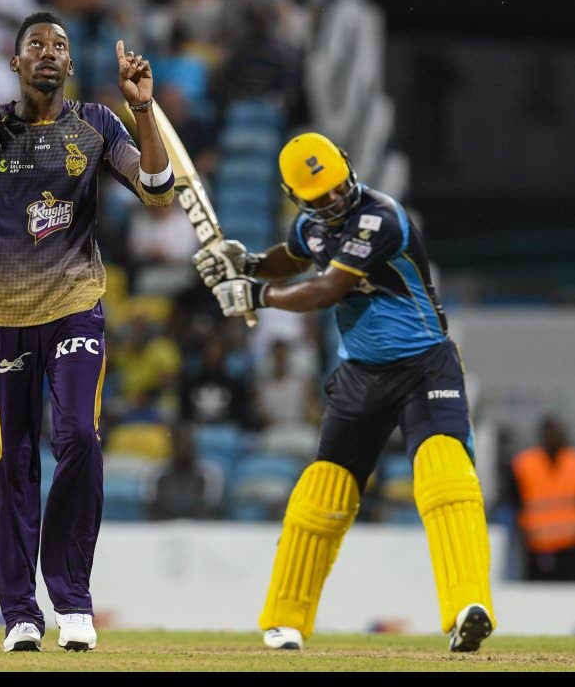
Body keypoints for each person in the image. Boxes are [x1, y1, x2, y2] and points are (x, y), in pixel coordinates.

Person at [0, 11, 173, 653]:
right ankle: (21, 614)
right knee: (15, 462)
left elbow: (159, 193)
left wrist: (144, 111)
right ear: (16, 62)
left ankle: (74, 601)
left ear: (70, 64)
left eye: (59, 44)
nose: (48, 52)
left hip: (75, 307)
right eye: (36, 45)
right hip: (4, 320)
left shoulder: (98, 122)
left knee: (79, 435)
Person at [193, 132, 496, 652]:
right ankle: (284, 619)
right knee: (322, 497)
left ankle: (468, 606)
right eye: (318, 197)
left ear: (350, 170)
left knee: (445, 475)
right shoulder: (312, 225)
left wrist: (257, 294)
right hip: (361, 375)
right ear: (296, 197)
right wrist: (247, 261)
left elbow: (326, 289)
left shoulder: (379, 217)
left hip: (424, 365)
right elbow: (295, 254)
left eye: (338, 189)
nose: (333, 201)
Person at [509, 415, 575, 581]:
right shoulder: (524, 464)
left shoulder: (572, 462)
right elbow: (513, 501)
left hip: (570, 546)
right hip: (536, 546)